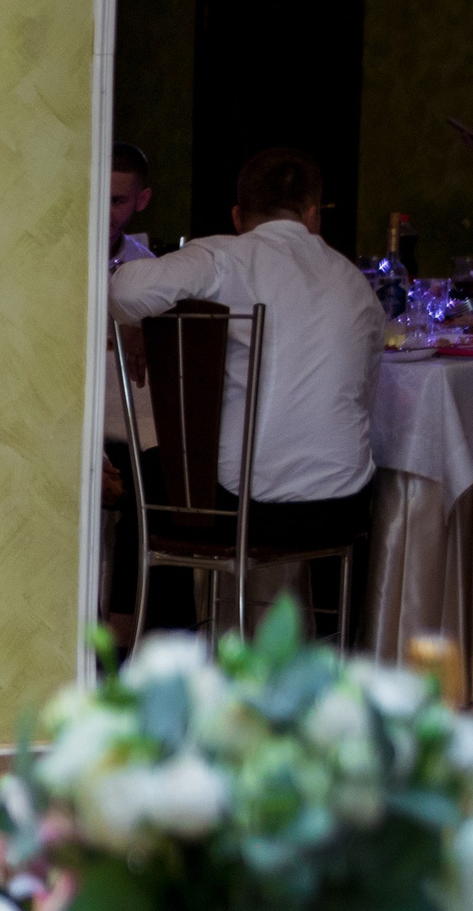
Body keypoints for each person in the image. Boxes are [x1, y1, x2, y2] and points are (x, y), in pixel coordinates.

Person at [109, 147, 387, 635]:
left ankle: (161, 641)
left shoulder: (225, 256)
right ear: (312, 215)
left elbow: (126, 290)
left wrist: (144, 322)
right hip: (341, 511)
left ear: (238, 216)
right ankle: (333, 640)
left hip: (246, 509)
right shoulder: (355, 283)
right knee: (337, 462)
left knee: (153, 465)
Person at [102, 142, 192, 639]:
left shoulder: (148, 266)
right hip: (82, 419)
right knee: (153, 475)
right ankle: (145, 631)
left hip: (131, 424)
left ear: (142, 200)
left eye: (119, 201)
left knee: (162, 475)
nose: (107, 211)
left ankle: (142, 628)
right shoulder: (60, 258)